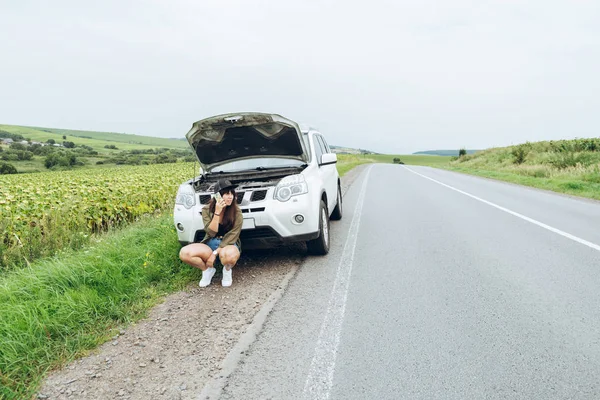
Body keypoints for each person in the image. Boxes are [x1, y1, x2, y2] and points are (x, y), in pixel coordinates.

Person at [179, 179, 243, 287]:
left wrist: (214, 254)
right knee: (184, 253)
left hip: (229, 244)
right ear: (218, 196)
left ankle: (227, 270)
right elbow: (211, 232)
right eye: (227, 193)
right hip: (211, 242)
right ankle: (207, 270)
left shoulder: (237, 211)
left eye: (232, 193)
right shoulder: (207, 209)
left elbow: (233, 235)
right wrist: (217, 212)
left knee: (229, 257)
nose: (230, 196)